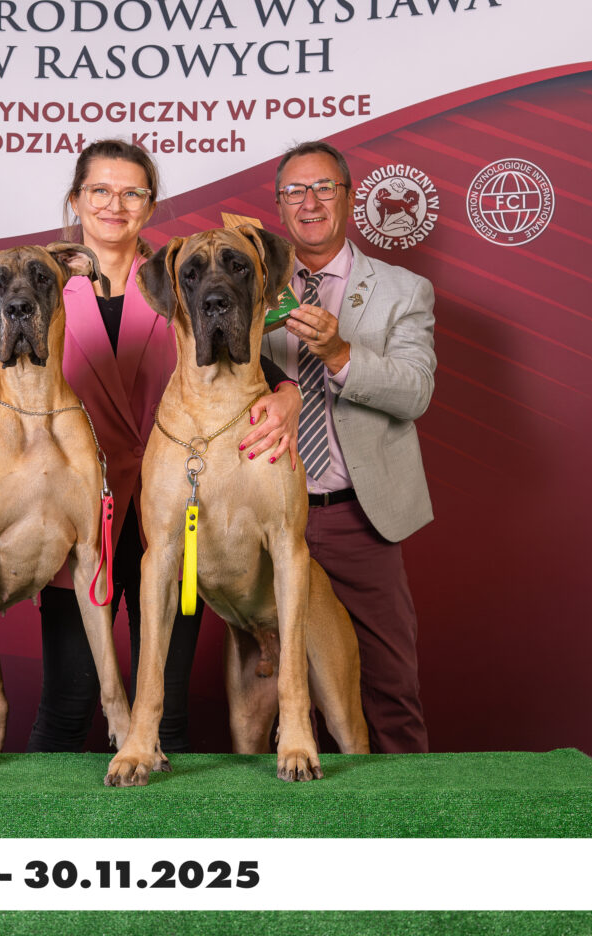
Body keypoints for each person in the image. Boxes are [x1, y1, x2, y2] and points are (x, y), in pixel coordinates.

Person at [0, 138, 303, 753]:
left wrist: (289, 394)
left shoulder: (174, 276)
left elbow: (240, 349)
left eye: (132, 192)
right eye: (100, 190)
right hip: (79, 511)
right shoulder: (46, 281)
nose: (115, 204)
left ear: (149, 206)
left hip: (171, 507)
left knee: (170, 707)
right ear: (76, 200)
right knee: (69, 701)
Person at [262, 139, 435, 753]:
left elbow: (415, 392)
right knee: (273, 682)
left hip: (357, 517)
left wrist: (339, 354)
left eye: (323, 188)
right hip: (267, 513)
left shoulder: (402, 290)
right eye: (294, 191)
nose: (308, 203)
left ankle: (400, 805)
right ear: (278, 205)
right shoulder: (251, 284)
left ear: (349, 196)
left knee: (389, 686)